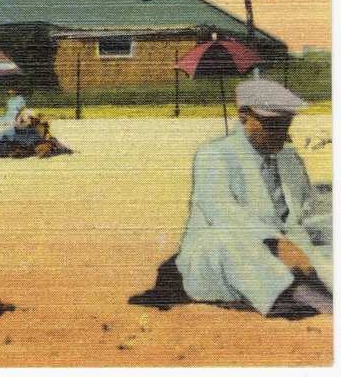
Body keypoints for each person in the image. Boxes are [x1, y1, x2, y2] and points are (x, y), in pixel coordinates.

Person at [131, 78, 332, 318]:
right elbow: (223, 213)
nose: (281, 132)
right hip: (225, 250)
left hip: (288, 249)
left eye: (285, 124)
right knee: (232, 244)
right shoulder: (214, 155)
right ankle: (302, 296)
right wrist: (277, 243)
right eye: (272, 125)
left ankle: (313, 290)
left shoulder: (289, 159)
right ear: (245, 119)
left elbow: (307, 209)